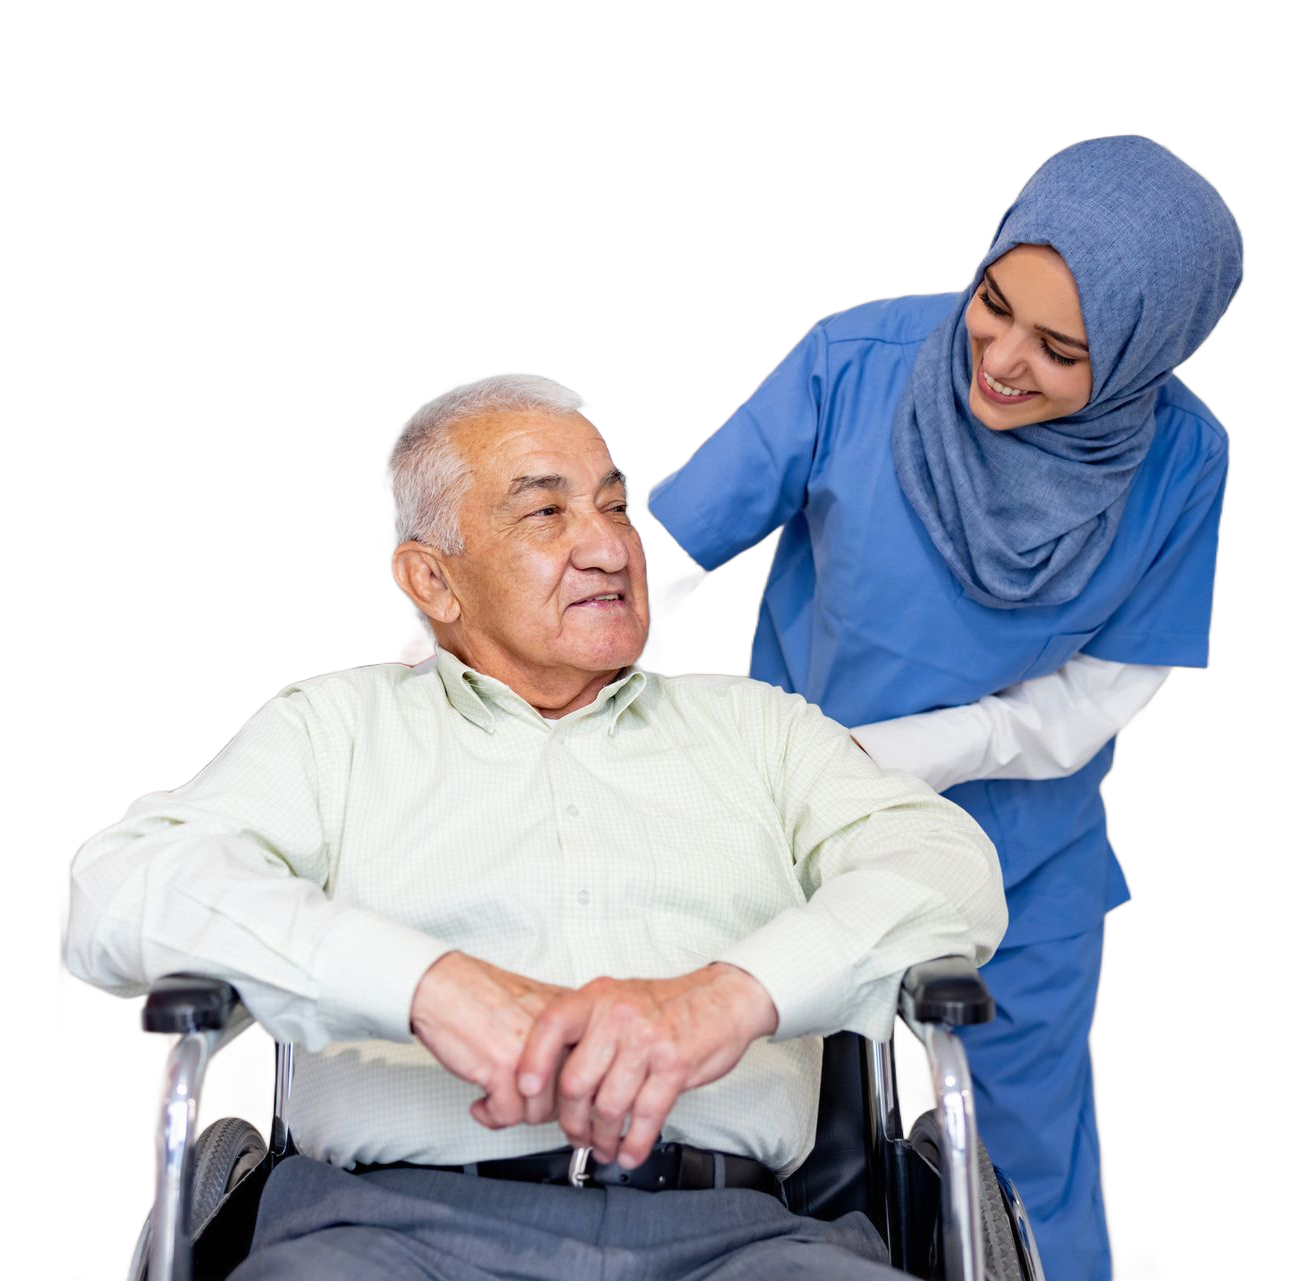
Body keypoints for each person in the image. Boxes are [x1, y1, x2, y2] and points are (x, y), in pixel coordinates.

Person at [63, 369, 1007, 1280]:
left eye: (614, 506)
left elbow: (947, 868)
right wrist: (426, 985)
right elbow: (115, 893)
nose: (609, 547)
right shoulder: (335, 731)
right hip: (384, 1234)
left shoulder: (763, 731)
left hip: (740, 1237)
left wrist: (731, 997)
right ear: (431, 579)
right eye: (547, 512)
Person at [638, 134, 1244, 1279]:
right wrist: (531, 615)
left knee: (1020, 1161)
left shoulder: (1183, 459)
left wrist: (880, 753)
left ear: (1139, 354)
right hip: (789, 834)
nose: (1003, 359)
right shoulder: (859, 360)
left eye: (1061, 349)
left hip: (1015, 857)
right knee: (740, 1127)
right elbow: (673, 541)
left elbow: (1087, 708)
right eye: (994, 303)